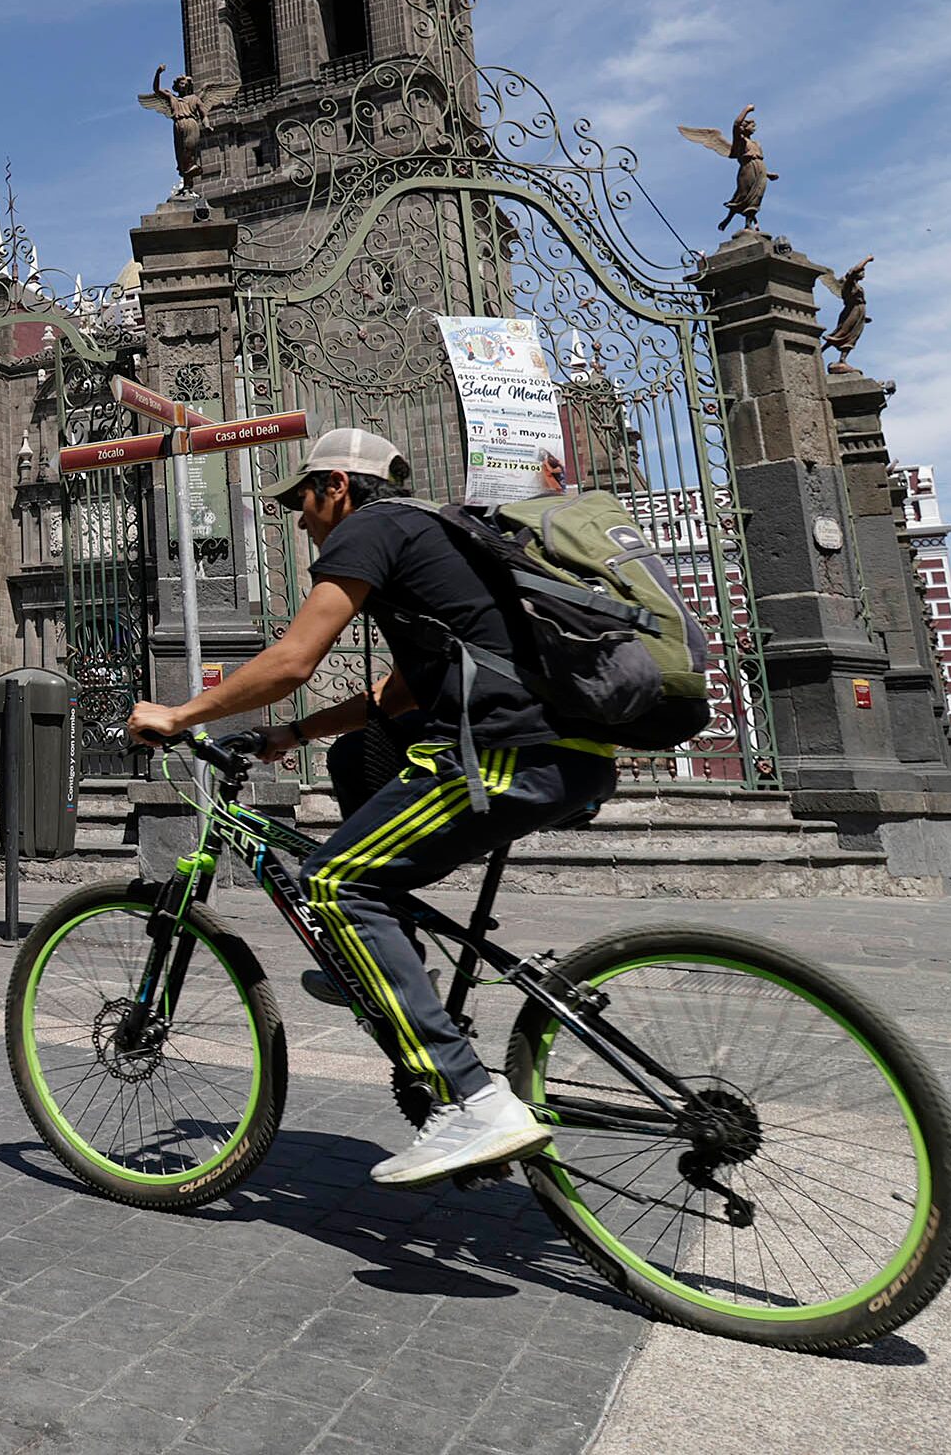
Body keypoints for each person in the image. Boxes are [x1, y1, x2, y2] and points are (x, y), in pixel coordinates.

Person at [124, 427, 620, 1188]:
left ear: (338, 487)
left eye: (304, 500)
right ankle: (394, 962)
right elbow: (403, 692)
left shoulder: (370, 529)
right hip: (564, 749)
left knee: (334, 880)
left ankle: (474, 1100)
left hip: (502, 751)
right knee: (357, 759)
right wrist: (289, 734)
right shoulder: (430, 536)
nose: (300, 520)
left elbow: (293, 658)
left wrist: (183, 715)